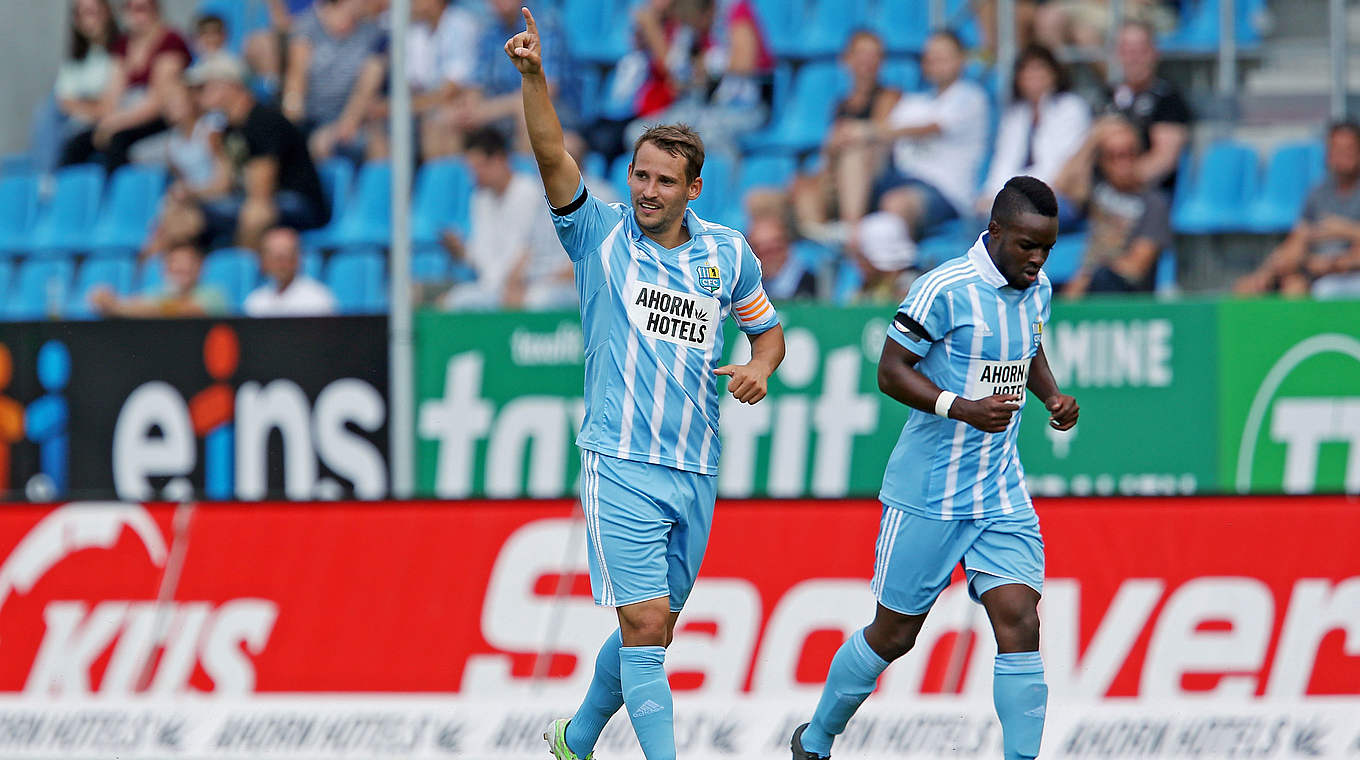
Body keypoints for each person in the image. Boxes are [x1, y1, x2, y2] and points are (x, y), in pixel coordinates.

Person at [506, 10, 787, 760]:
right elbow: (550, 154)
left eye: (666, 180)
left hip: (695, 466)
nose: (648, 191)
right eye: (640, 175)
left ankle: (576, 739)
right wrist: (534, 78)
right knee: (644, 628)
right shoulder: (598, 235)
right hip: (620, 460)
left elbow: (768, 330)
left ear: (695, 188)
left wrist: (760, 367)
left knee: (652, 627)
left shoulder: (728, 255)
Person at [790, 176, 1079, 760]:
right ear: (994, 231)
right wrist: (961, 407)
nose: (1038, 258)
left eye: (1046, 247)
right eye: (1027, 245)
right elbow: (891, 370)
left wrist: (1050, 395)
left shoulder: (1038, 287)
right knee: (894, 635)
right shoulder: (943, 288)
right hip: (928, 492)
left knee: (1020, 617)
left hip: (999, 489)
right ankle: (817, 737)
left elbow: (1029, 345)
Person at [856, 31, 989, 295]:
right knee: (856, 153)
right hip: (904, 178)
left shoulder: (970, 97)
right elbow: (886, 133)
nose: (936, 63)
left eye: (943, 57)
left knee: (896, 203)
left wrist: (868, 131)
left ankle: (901, 274)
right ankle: (851, 225)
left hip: (945, 192)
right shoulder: (915, 101)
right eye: (931, 58)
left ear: (961, 60)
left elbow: (932, 127)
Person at [191, 54, 329, 249]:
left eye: (203, 87)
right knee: (183, 214)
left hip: (297, 202)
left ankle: (241, 273)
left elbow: (261, 191)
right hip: (260, 200)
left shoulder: (264, 122)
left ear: (229, 86)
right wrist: (189, 193)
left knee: (255, 214)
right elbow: (223, 185)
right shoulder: (228, 130)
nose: (197, 95)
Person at [439, 126, 572, 310]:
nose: (474, 175)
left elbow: (532, 248)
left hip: (527, 283)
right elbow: (482, 253)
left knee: (538, 301)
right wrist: (461, 250)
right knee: (453, 301)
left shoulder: (529, 192)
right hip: (491, 288)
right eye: (471, 169)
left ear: (499, 159)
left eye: (480, 167)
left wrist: (514, 281)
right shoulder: (479, 199)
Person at [792, 30, 902, 245]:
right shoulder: (841, 103)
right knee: (800, 184)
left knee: (854, 154)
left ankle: (852, 232)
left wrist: (847, 136)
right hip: (838, 174)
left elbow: (880, 133)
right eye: (861, 54)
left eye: (873, 55)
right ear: (847, 60)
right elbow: (830, 149)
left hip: (875, 174)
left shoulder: (889, 95)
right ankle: (822, 237)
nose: (867, 62)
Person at [59, 0, 191, 173]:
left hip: (158, 116)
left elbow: (158, 99)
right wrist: (103, 120)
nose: (136, 15)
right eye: (130, 8)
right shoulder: (123, 46)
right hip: (127, 113)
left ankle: (117, 196)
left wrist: (114, 123)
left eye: (141, 9)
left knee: (117, 141)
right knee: (76, 145)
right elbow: (112, 96)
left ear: (155, 10)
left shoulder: (171, 41)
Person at [1236, 122, 1360, 298]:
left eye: (1349, 148)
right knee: (1256, 288)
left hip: (1346, 273)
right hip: (1315, 268)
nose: (1343, 155)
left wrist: (1343, 233)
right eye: (1337, 149)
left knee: (1324, 289)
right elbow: (1298, 235)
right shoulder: (1318, 193)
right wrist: (1268, 271)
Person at [1054, 117, 1171, 296]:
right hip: (1088, 285)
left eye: (1129, 153)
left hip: (1125, 292)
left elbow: (1136, 267)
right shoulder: (1095, 191)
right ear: (1101, 161)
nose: (1123, 163)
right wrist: (1092, 141)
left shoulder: (1154, 203)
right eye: (1113, 156)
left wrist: (1088, 276)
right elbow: (1061, 185)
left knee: (1103, 278)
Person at [977, 44, 1090, 222]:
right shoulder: (1015, 113)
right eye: (1026, 70)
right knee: (979, 216)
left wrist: (1014, 199)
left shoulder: (1071, 107)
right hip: (1017, 198)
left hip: (1058, 195)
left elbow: (1059, 167)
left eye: (1039, 68)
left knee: (1011, 223)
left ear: (1054, 73)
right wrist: (991, 195)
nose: (1032, 75)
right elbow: (1003, 160)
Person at [282, 0, 385, 162]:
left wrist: (347, 123)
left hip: (351, 120)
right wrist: (291, 120)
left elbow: (366, 88)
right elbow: (296, 77)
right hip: (311, 118)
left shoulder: (373, 32)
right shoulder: (308, 25)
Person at [30, 0, 122, 177]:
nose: (90, 20)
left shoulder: (118, 53)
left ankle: (47, 178)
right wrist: (86, 103)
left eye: (93, 12)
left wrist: (81, 105)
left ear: (107, 13)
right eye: (83, 14)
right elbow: (63, 101)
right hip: (73, 121)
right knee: (46, 112)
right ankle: (45, 179)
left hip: (101, 119)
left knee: (51, 115)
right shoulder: (74, 61)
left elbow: (108, 103)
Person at [1101, 21, 1190, 191]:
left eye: (1141, 50)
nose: (1134, 58)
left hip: (1147, 193)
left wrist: (1123, 183)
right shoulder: (1107, 96)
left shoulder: (1168, 99)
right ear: (1118, 54)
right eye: (1127, 50)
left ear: (1155, 53)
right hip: (1103, 192)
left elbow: (1164, 159)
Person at [90, 242, 227, 317]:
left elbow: (186, 311)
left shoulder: (213, 294)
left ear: (199, 268)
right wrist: (108, 302)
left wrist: (118, 307)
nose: (178, 269)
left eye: (185, 265)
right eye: (173, 264)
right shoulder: (159, 293)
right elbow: (138, 303)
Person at [244, 226, 337, 316]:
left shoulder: (319, 298)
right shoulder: (255, 302)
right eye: (275, 258)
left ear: (298, 258)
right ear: (264, 261)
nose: (281, 265)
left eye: (287, 256)